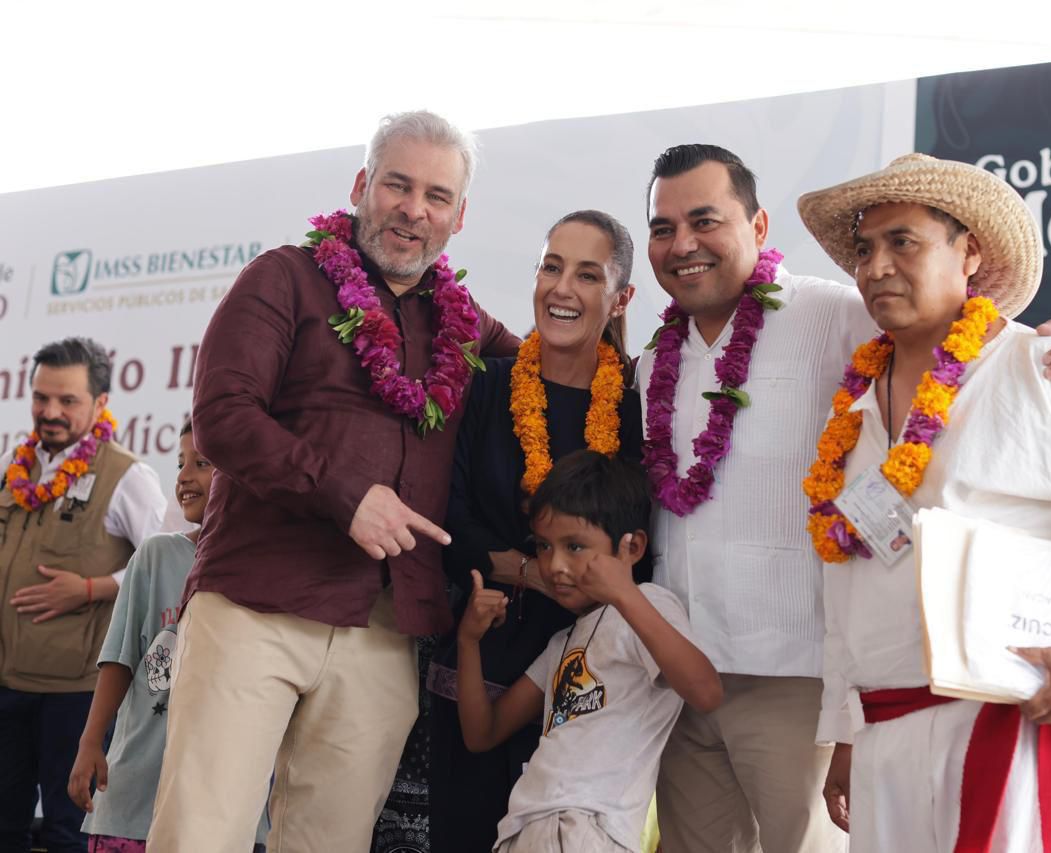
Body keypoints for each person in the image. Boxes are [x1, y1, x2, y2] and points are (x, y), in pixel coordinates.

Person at [635, 144, 1051, 853]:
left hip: (798, 678)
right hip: (683, 679)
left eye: (704, 220)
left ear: (759, 226)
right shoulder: (654, 360)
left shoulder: (835, 313)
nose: (683, 243)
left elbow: (958, 336)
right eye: (664, 227)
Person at [147, 110, 521, 853]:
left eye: (437, 196)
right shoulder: (283, 277)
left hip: (382, 629)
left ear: (459, 216)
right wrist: (345, 495)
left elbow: (545, 373)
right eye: (398, 185)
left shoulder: (466, 324)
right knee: (201, 835)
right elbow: (222, 417)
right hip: (255, 605)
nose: (414, 210)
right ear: (360, 185)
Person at [796, 153, 1051, 852]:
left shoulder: (1044, 364)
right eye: (864, 248)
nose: (877, 266)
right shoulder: (852, 411)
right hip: (885, 738)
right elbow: (845, 587)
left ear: (969, 253)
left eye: (903, 242)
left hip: (1022, 725)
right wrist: (845, 733)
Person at [373, 210, 643, 853]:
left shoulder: (634, 405)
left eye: (587, 275)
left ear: (621, 297)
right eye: (551, 267)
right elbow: (447, 518)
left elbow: (639, 543)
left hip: (586, 678)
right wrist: (530, 571)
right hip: (480, 657)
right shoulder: (488, 385)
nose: (562, 289)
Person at [456, 450, 722, 853]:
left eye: (575, 546)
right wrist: (468, 642)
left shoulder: (648, 605)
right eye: (544, 546)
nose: (554, 565)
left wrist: (624, 593)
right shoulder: (562, 643)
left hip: (584, 825)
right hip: (525, 826)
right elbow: (483, 733)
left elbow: (705, 692)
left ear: (632, 547)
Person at [67, 420, 268, 852]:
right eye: (180, 463)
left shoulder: (273, 571)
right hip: (135, 801)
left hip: (229, 809)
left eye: (202, 463)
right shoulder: (156, 556)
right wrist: (90, 742)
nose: (184, 476)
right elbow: (119, 659)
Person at [0, 336, 167, 853]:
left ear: (100, 403)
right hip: (7, 682)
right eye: (41, 397)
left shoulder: (128, 476)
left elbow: (163, 568)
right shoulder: (14, 466)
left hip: (76, 694)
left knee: (67, 833)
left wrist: (91, 589)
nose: (50, 411)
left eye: (67, 400)